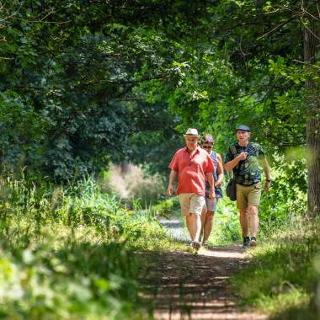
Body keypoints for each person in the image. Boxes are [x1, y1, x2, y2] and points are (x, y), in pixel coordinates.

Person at [167, 128, 216, 251]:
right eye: (189, 139)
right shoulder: (179, 153)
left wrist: (212, 190)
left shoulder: (204, 154)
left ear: (198, 140)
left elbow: (209, 173)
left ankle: (196, 240)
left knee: (196, 214)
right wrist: (170, 185)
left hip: (198, 190)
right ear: (185, 139)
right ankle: (193, 240)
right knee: (188, 216)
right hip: (183, 190)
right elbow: (174, 170)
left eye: (193, 139)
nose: (191, 141)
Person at [224, 125, 271, 248]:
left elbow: (265, 164)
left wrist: (268, 179)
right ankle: (245, 237)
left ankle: (253, 238)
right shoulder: (232, 149)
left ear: (249, 135)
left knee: (253, 210)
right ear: (236, 135)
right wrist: (238, 158)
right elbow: (227, 167)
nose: (241, 135)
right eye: (239, 132)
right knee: (243, 212)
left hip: (255, 184)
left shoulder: (256, 148)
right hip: (239, 185)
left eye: (244, 133)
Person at [200, 134, 224, 247]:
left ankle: (205, 241)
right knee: (201, 213)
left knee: (210, 214)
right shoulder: (197, 155)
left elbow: (221, 173)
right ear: (201, 145)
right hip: (199, 188)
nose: (208, 148)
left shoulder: (216, 156)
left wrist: (217, 183)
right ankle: (197, 238)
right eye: (205, 146)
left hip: (213, 189)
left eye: (210, 146)